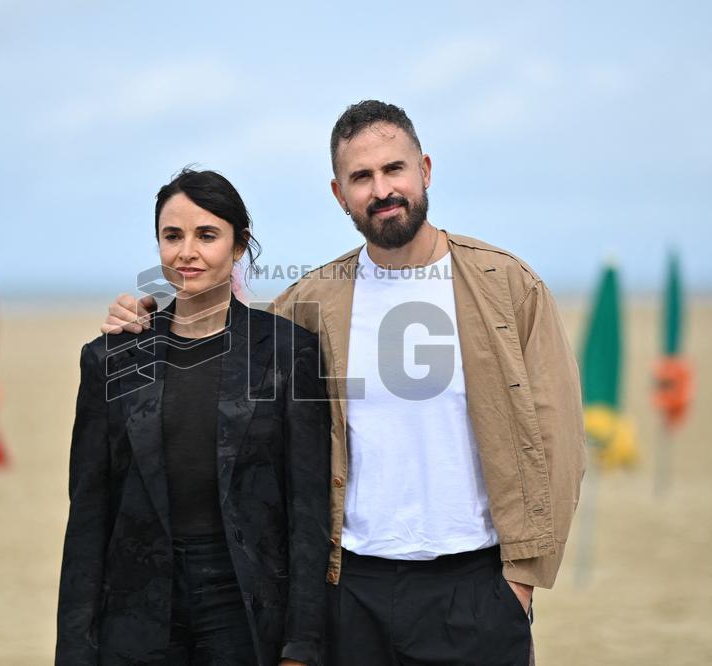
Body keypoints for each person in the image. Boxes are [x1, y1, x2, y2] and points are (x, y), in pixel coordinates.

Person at [102, 102, 587, 665]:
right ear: (339, 194)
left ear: (424, 170)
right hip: (349, 591)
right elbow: (223, 328)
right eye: (362, 177)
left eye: (394, 169)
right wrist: (145, 313)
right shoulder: (311, 302)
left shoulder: (508, 286)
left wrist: (522, 580)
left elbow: (559, 439)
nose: (382, 189)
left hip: (475, 588)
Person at [56, 169, 331, 665]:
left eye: (207, 235)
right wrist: (75, 650)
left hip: (245, 607)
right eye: (172, 236)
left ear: (239, 244)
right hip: (136, 609)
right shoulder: (111, 358)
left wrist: (301, 645)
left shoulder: (290, 353)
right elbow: (89, 517)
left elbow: (308, 512)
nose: (187, 252)